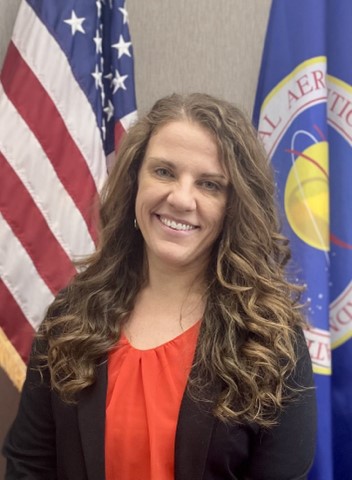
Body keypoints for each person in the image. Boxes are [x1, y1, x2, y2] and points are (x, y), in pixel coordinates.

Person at [3, 93, 316, 480]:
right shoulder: (71, 316)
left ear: (235, 205)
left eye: (209, 184)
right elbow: (29, 466)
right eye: (164, 172)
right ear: (135, 179)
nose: (181, 198)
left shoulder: (270, 339)